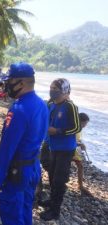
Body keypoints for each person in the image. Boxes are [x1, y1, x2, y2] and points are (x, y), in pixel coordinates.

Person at [0, 62, 48, 225]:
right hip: (33, 166)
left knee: (11, 213)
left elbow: (7, 147)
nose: (7, 85)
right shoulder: (42, 104)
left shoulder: (19, 109)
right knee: (25, 208)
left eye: (10, 81)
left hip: (17, 171)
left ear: (21, 83)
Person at [39, 78, 81, 221]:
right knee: (51, 176)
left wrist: (58, 131)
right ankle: (52, 201)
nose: (52, 91)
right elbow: (46, 120)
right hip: (53, 147)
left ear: (65, 92)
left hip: (66, 149)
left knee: (59, 180)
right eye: (51, 88)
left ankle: (55, 211)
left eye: (56, 89)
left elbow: (76, 128)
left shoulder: (70, 106)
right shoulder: (51, 103)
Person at [73, 112, 90, 195]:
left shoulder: (80, 129)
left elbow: (78, 140)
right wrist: (80, 144)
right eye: (84, 123)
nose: (85, 125)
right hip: (70, 149)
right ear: (80, 121)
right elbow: (71, 139)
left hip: (76, 150)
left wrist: (81, 144)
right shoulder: (74, 128)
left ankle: (80, 185)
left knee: (80, 166)